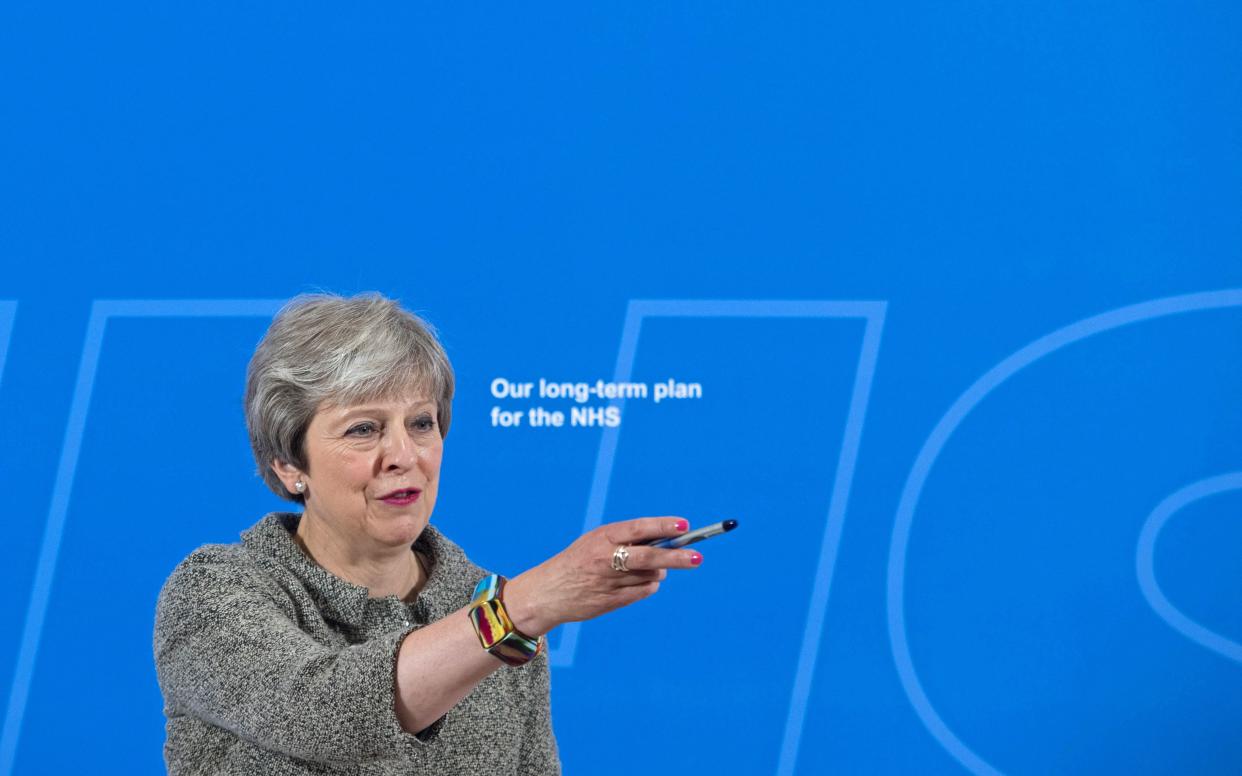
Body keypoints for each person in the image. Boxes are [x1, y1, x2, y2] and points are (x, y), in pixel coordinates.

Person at [152, 292, 702, 775]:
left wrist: (518, 611)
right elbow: (318, 711)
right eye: (364, 429)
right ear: (288, 465)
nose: (405, 456)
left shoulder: (490, 602)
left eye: (421, 423)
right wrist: (521, 610)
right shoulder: (214, 593)